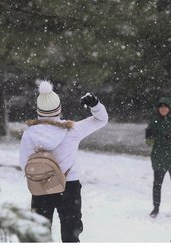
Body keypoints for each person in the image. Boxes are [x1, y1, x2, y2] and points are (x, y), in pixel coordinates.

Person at [19, 80, 108, 242]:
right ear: (58, 109)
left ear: (38, 110)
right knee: (70, 233)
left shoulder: (29, 134)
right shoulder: (73, 130)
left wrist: (43, 173)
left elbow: (24, 164)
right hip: (69, 187)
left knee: (39, 234)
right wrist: (95, 105)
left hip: (40, 186)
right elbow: (101, 120)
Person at [145, 97, 171, 218]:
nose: (163, 109)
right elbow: (149, 142)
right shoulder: (154, 121)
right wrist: (149, 136)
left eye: (166, 107)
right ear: (158, 109)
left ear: (170, 108)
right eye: (161, 107)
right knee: (157, 184)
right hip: (158, 158)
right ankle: (155, 208)